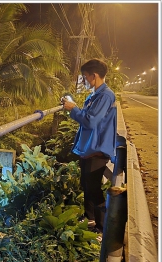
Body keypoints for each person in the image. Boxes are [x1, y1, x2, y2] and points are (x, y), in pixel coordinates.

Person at [61, 59, 117, 235]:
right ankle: (89, 218)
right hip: (89, 148)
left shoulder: (106, 96)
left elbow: (91, 121)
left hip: (98, 149)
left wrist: (73, 109)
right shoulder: (94, 96)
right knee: (86, 184)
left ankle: (101, 229)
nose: (84, 80)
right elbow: (86, 117)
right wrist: (75, 109)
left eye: (85, 77)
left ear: (94, 75)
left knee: (93, 188)